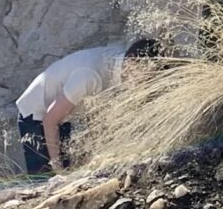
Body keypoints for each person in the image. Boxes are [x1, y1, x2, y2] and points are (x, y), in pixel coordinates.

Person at [15, 37, 158, 174]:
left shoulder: (119, 60)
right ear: (132, 64)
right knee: (46, 179)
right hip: (36, 114)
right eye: (146, 77)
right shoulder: (88, 76)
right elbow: (50, 119)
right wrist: (57, 169)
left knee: (68, 173)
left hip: (63, 115)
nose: (145, 84)